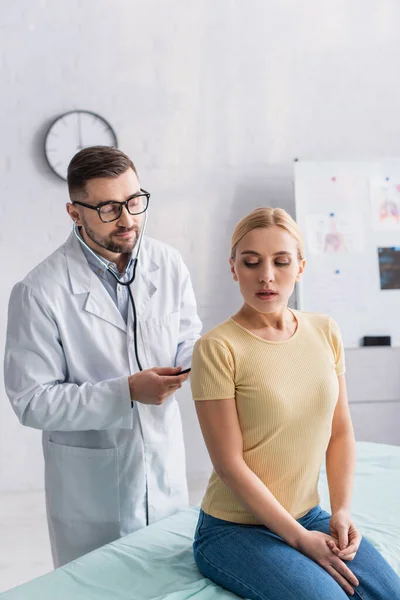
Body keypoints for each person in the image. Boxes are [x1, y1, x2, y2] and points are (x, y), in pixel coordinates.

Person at [4, 146, 202, 568]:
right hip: (91, 493)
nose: (129, 219)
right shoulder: (39, 292)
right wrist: (127, 392)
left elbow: (187, 336)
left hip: (163, 470)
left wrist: (199, 361)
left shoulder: (167, 263)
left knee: (168, 581)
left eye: (134, 202)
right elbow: (31, 401)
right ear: (75, 213)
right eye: (109, 208)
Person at [190, 207, 400, 600]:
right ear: (233, 268)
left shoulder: (324, 330)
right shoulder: (217, 349)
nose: (266, 276)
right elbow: (229, 465)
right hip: (235, 528)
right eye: (251, 262)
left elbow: (340, 432)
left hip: (310, 513)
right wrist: (300, 540)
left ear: (300, 267)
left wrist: (340, 511)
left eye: (281, 262)